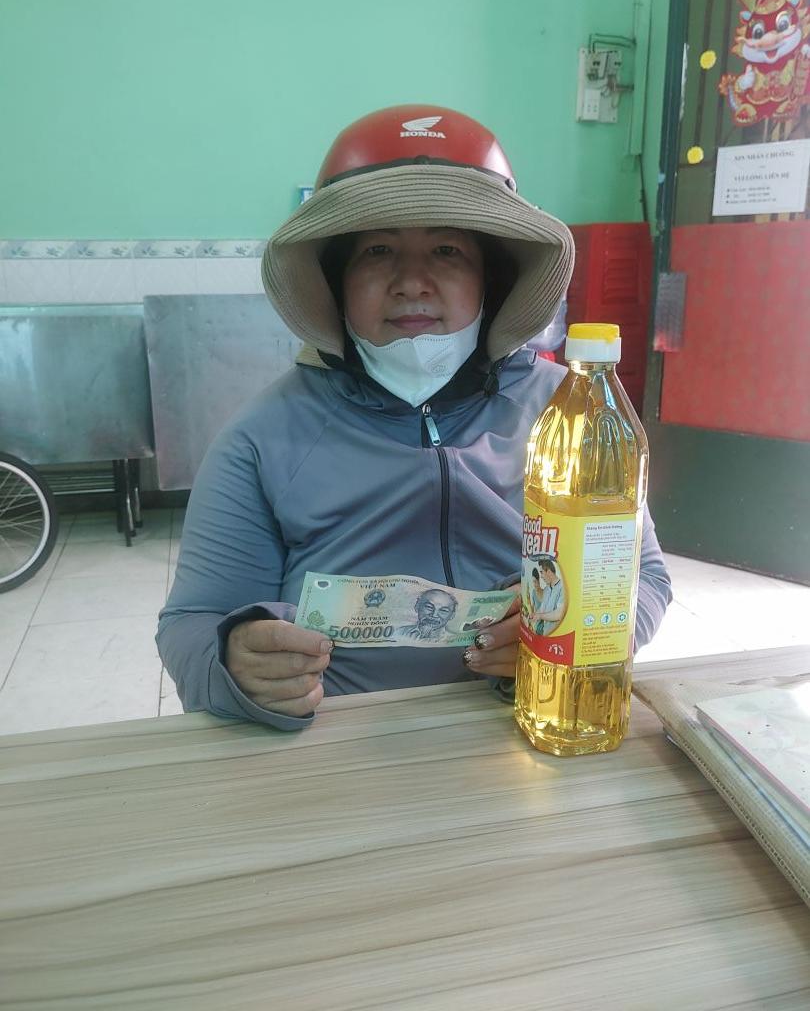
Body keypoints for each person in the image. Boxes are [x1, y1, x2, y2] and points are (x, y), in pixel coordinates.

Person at [156, 104, 672, 731]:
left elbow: (644, 578)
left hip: (533, 729)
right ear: (335, 283)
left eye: (447, 250)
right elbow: (192, 624)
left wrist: (575, 630)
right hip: (336, 744)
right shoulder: (262, 438)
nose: (412, 282)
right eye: (377, 251)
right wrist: (234, 665)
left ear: (493, 282)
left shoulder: (570, 414)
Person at [533, 559, 565, 635]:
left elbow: (559, 614)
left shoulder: (563, 588)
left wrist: (540, 616)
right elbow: (543, 608)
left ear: (549, 572)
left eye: (542, 572)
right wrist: (534, 614)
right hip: (546, 634)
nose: (541, 576)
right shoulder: (546, 589)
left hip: (558, 635)